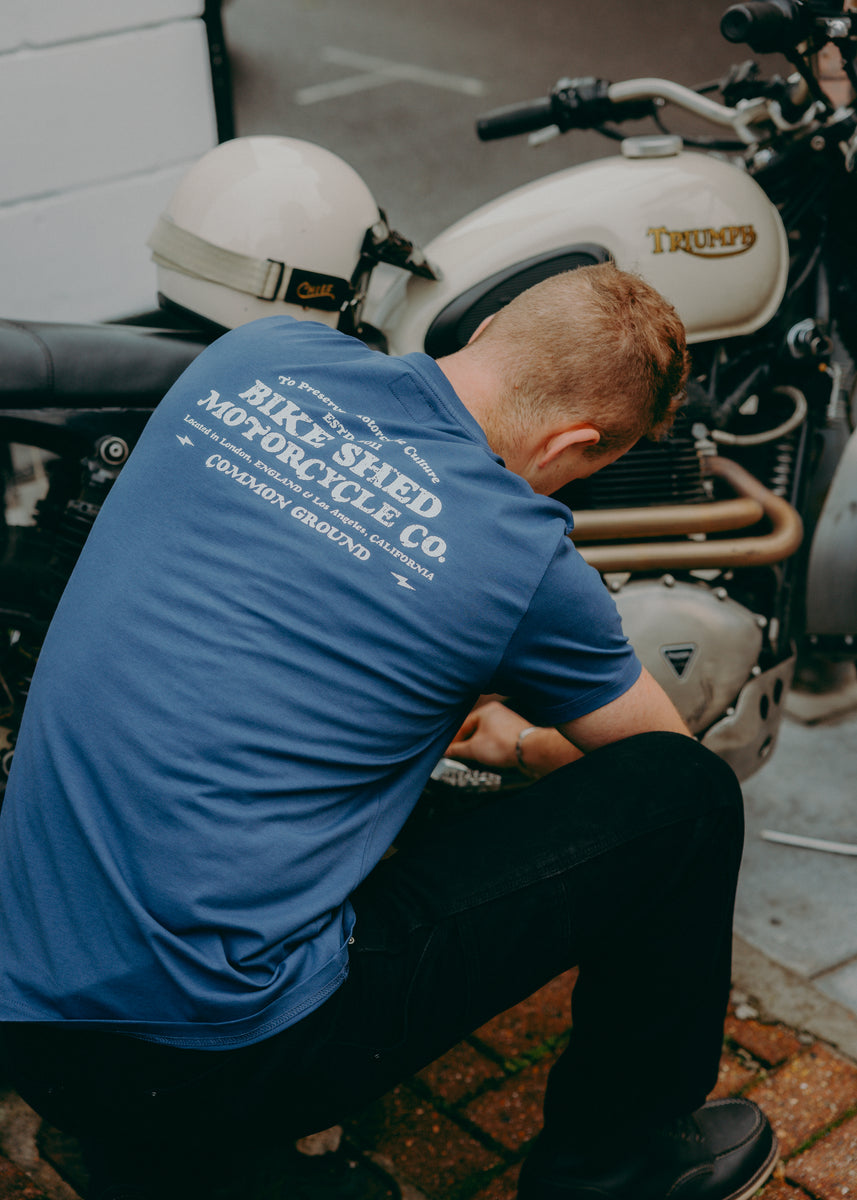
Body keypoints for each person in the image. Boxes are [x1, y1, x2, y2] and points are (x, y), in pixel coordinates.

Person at [0, 264, 776, 1200]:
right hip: (207, 1060)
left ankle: (155, 1154)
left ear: (485, 331)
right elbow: (653, 758)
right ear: (573, 442)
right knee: (687, 801)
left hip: (22, 992)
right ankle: (613, 1169)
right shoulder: (523, 557)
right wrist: (521, 746)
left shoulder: (256, 356)